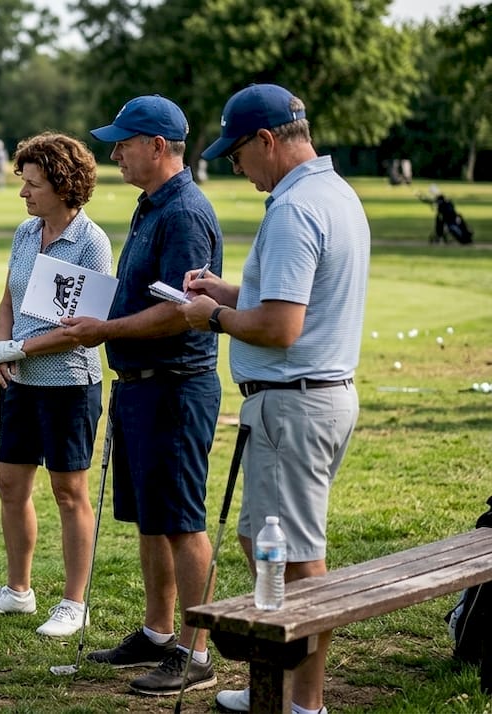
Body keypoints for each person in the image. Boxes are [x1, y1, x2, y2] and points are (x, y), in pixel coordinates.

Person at [181, 83, 369, 714]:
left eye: (238, 154)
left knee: (297, 560)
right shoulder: (335, 193)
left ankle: (303, 704)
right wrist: (226, 291)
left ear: (266, 141)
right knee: (272, 546)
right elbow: (286, 305)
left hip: (294, 402)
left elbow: (282, 328)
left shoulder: (293, 209)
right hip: (319, 396)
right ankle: (288, 688)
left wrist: (210, 316)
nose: (237, 168)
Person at [58, 95, 224, 696]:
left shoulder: (184, 214)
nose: (115, 152)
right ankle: (158, 634)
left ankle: (195, 651)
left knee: (181, 520)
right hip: (139, 388)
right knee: (150, 519)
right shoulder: (150, 205)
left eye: (124, 142)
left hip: (175, 387)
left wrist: (103, 330)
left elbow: (181, 313)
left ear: (157, 146)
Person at [0, 132, 111, 639]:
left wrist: (20, 350)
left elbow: (84, 327)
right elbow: (9, 297)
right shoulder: (26, 234)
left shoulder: (91, 243)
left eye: (33, 184)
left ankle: (74, 603)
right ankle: (18, 591)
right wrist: (1, 344)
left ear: (62, 183)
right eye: (23, 183)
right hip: (21, 382)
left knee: (69, 491)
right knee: (10, 483)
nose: (24, 193)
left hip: (69, 383)